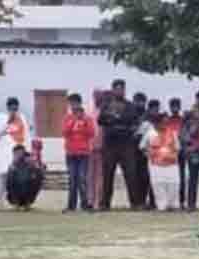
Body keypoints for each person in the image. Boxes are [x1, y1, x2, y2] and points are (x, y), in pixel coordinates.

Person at [98, 82, 143, 210]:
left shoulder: (130, 105)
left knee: (131, 174)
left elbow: (134, 122)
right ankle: (105, 204)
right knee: (107, 175)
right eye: (116, 89)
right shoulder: (106, 105)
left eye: (121, 89)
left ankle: (135, 203)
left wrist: (115, 121)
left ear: (124, 90)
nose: (119, 91)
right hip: (110, 145)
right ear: (112, 90)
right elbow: (101, 120)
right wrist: (117, 120)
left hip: (126, 145)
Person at [0, 97, 31, 210]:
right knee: (2, 177)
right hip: (4, 153)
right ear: (7, 107)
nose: (14, 109)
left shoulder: (22, 118)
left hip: (17, 153)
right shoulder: (0, 117)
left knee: (17, 179)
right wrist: (8, 121)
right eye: (11, 107)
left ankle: (16, 201)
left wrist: (28, 151)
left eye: (15, 107)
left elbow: (26, 134)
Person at [140, 110, 182, 211]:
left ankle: (174, 205)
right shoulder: (150, 133)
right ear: (156, 123)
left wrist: (172, 156)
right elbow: (142, 147)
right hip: (155, 165)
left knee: (174, 184)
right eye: (163, 122)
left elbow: (178, 147)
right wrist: (150, 155)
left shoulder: (172, 133)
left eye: (166, 122)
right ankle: (162, 206)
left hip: (171, 164)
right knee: (158, 185)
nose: (165, 124)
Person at [63, 93, 97, 213]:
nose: (73, 106)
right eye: (71, 103)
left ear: (79, 103)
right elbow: (65, 133)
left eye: (75, 103)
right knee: (72, 179)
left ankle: (84, 204)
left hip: (83, 153)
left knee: (82, 179)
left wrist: (83, 120)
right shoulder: (68, 118)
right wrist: (74, 121)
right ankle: (71, 205)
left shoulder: (87, 118)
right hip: (71, 153)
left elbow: (92, 133)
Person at [5, 144, 44, 211]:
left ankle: (27, 202)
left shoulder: (30, 161)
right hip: (15, 194)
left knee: (37, 176)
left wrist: (35, 167)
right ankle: (16, 203)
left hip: (27, 192)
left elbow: (39, 174)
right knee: (10, 177)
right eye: (16, 153)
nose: (18, 154)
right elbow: (9, 185)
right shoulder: (12, 166)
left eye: (20, 152)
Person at [168, 98, 186, 208]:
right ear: (170, 107)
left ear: (179, 107)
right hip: (169, 153)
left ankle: (181, 201)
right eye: (172, 106)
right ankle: (171, 201)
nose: (175, 108)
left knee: (181, 177)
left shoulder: (183, 121)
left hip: (181, 152)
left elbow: (185, 136)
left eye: (176, 106)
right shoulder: (167, 121)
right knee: (170, 177)